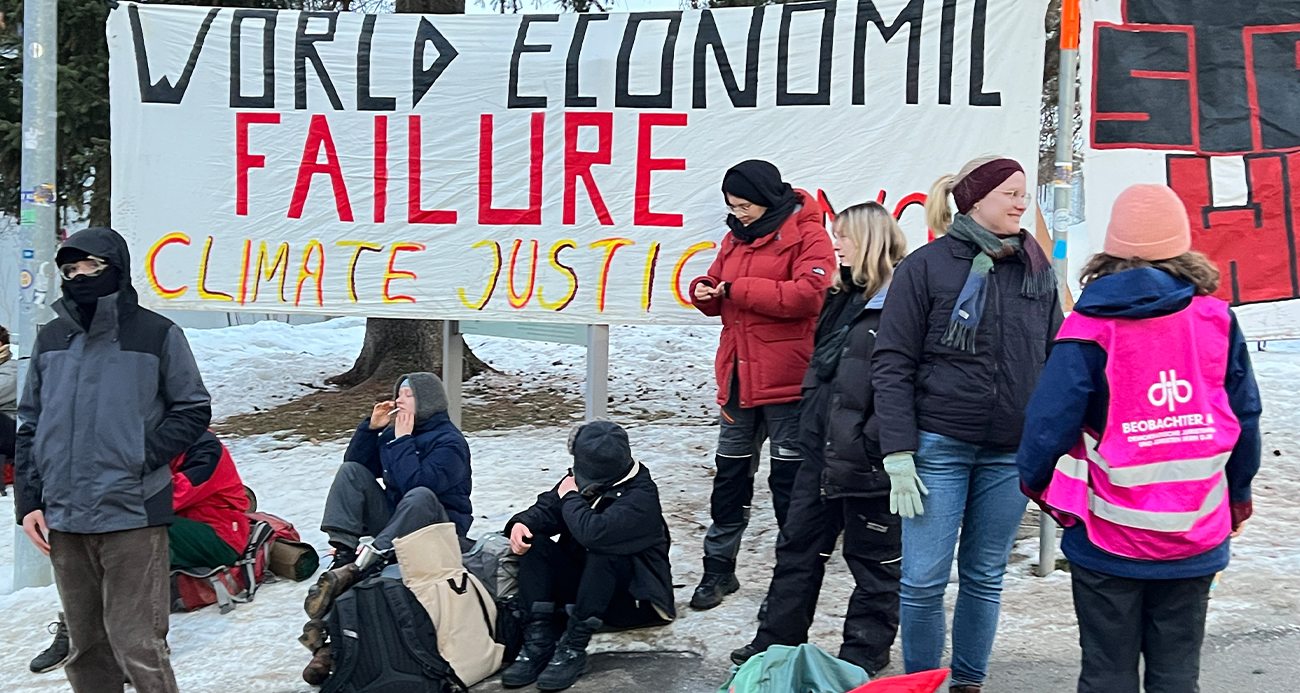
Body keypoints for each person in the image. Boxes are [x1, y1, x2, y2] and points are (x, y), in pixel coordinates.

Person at [1017, 184, 1261, 693]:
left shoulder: (1088, 326)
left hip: (1108, 535)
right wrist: (1236, 497)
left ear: (1111, 250)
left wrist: (1044, 490)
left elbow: (1048, 425)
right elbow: (1245, 416)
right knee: (1176, 675)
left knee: (1107, 674)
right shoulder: (1216, 319)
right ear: (1183, 247)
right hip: (1195, 532)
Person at [871, 156, 1062, 693]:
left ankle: (969, 684)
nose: (1023, 203)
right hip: (938, 447)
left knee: (984, 576)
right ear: (976, 198)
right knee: (924, 580)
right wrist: (899, 451)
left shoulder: (1035, 266)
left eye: (1025, 193)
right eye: (1012, 192)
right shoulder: (926, 267)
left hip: (1009, 452)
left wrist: (1053, 439)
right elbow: (892, 362)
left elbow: (1056, 355)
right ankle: (925, 684)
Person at [14, 227, 212, 693]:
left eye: (91, 267)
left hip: (133, 513)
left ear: (116, 269)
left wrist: (138, 457)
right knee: (86, 650)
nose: (79, 276)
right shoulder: (53, 337)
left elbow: (193, 409)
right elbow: (30, 424)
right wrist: (29, 503)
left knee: (137, 643)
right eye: (70, 269)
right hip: (64, 518)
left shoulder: (156, 333)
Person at [731, 202, 907, 674]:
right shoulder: (841, 296)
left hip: (869, 458)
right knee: (797, 549)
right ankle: (775, 644)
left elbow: (904, 381)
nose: (835, 244)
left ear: (868, 239)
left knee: (873, 564)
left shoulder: (904, 301)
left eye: (844, 236)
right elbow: (826, 373)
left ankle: (861, 660)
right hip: (822, 449)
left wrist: (874, 442)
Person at [687, 159, 836, 610]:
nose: (738, 213)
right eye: (732, 205)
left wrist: (734, 289)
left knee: (790, 485)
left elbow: (808, 296)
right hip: (737, 379)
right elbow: (720, 283)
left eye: (745, 204)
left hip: (788, 382)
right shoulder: (736, 236)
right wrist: (705, 289)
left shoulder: (809, 234)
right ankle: (718, 571)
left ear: (768, 197)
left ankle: (790, 581)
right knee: (730, 478)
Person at [29, 429, 249, 676]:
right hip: (168, 521)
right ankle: (77, 628)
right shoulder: (135, 441)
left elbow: (166, 497)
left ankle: (144, 646)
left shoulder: (204, 448)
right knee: (91, 538)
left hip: (218, 533)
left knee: (135, 537)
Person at [300, 372, 471, 682]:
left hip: (439, 527)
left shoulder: (451, 443)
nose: (397, 400)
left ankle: (363, 566)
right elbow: (358, 467)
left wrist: (403, 440)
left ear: (426, 402)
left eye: (406, 395)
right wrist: (371, 428)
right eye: (399, 394)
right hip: (396, 524)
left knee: (419, 496)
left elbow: (417, 486)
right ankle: (343, 557)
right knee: (350, 472)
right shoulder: (395, 432)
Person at [501, 421, 674, 691]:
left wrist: (570, 497)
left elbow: (593, 533)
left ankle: (573, 646)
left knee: (603, 551)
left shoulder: (642, 496)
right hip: (587, 588)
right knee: (538, 543)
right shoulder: (585, 480)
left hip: (636, 600)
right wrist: (522, 523)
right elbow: (549, 507)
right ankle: (538, 641)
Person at [168, 430, 250, 570]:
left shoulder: (205, 449)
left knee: (145, 530)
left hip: (221, 535)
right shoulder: (157, 445)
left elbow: (168, 498)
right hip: (188, 523)